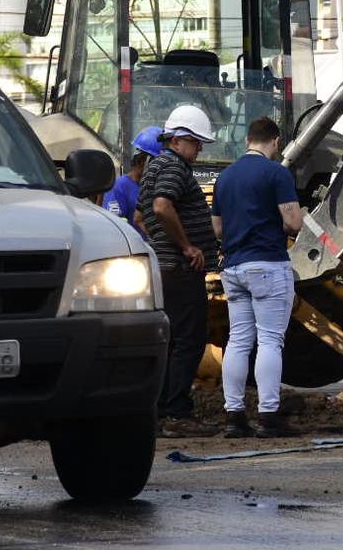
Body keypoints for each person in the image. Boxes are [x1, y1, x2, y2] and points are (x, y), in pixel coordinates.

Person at [211, 116, 303, 438]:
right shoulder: (276, 173)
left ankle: (234, 416)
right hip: (267, 265)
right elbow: (293, 223)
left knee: (237, 341)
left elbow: (218, 229)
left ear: (248, 140)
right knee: (269, 340)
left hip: (233, 268)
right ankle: (268, 414)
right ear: (275, 142)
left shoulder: (226, 177)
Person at [139, 103, 220, 437]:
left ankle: (160, 410)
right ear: (179, 139)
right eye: (197, 142)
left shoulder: (154, 167)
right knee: (189, 339)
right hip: (180, 269)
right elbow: (161, 207)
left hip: (164, 267)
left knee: (170, 340)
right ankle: (177, 413)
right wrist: (187, 246)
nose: (199, 149)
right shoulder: (174, 167)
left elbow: (141, 217)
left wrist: (159, 245)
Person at [104, 125, 163, 228]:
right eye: (158, 163)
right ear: (141, 162)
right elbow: (113, 226)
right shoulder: (120, 187)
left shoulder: (160, 186)